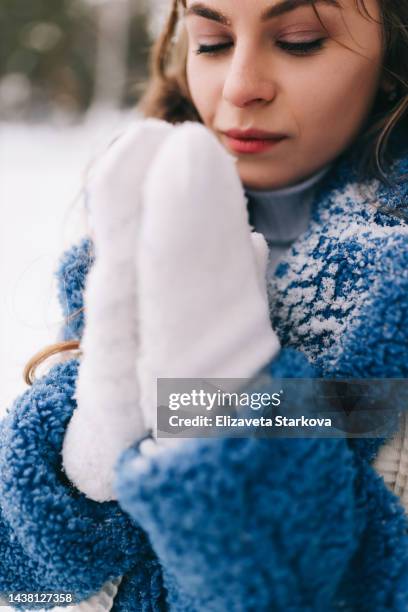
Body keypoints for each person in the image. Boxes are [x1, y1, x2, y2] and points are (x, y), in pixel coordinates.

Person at [0, 0, 407, 610]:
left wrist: (221, 404)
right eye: (212, 42)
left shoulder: (387, 297)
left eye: (300, 41)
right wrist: (80, 453)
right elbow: (34, 585)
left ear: (395, 57)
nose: (240, 87)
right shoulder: (131, 235)